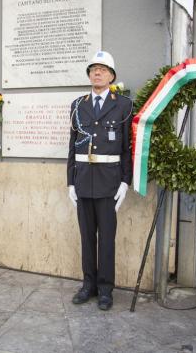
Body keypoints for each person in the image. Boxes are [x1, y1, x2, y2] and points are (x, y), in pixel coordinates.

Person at [67, 50, 132, 310]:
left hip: (109, 182)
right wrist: (70, 181)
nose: (97, 72)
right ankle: (88, 285)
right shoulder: (77, 104)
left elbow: (127, 147)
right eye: (94, 69)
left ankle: (105, 289)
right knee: (86, 237)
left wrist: (125, 182)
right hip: (83, 180)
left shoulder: (124, 105)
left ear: (112, 76)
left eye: (103, 69)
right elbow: (72, 145)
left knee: (106, 238)